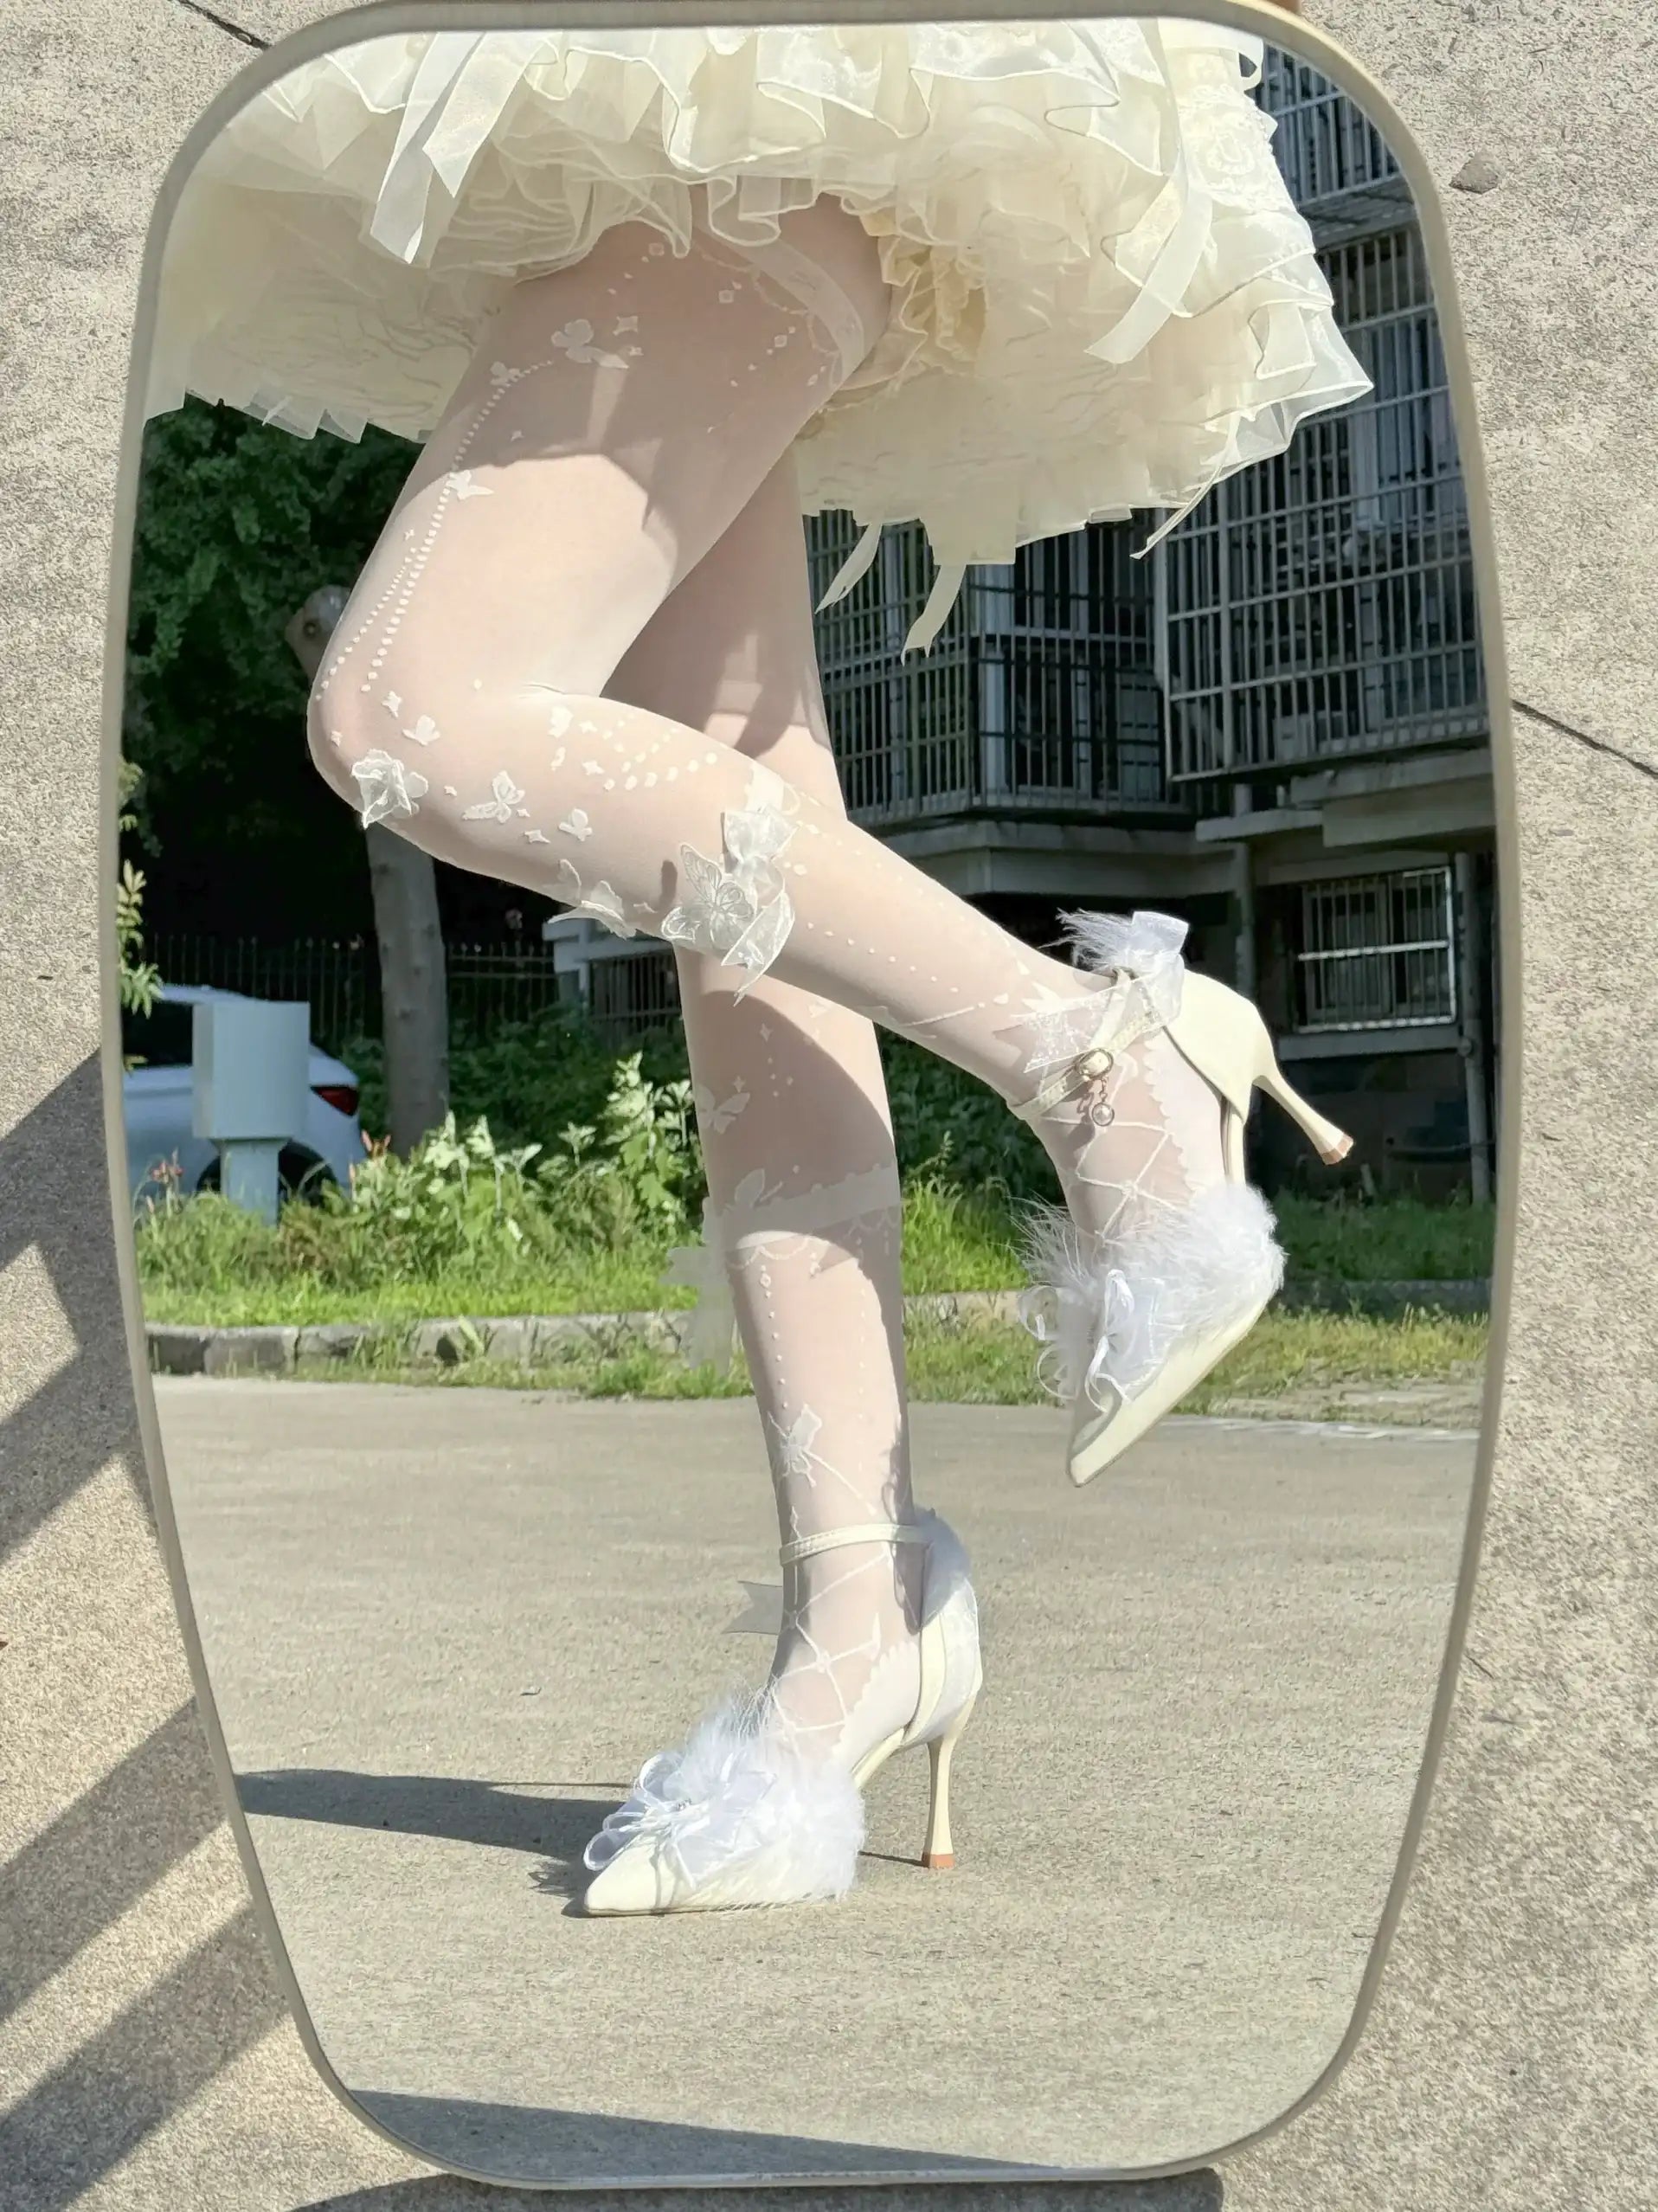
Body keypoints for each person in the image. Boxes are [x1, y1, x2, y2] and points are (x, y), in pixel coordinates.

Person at [147, 13, 1367, 1916]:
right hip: (630, 148)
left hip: (727, 117)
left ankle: (1102, 1062)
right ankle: (855, 1627)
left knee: (413, 707)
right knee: (751, 849)